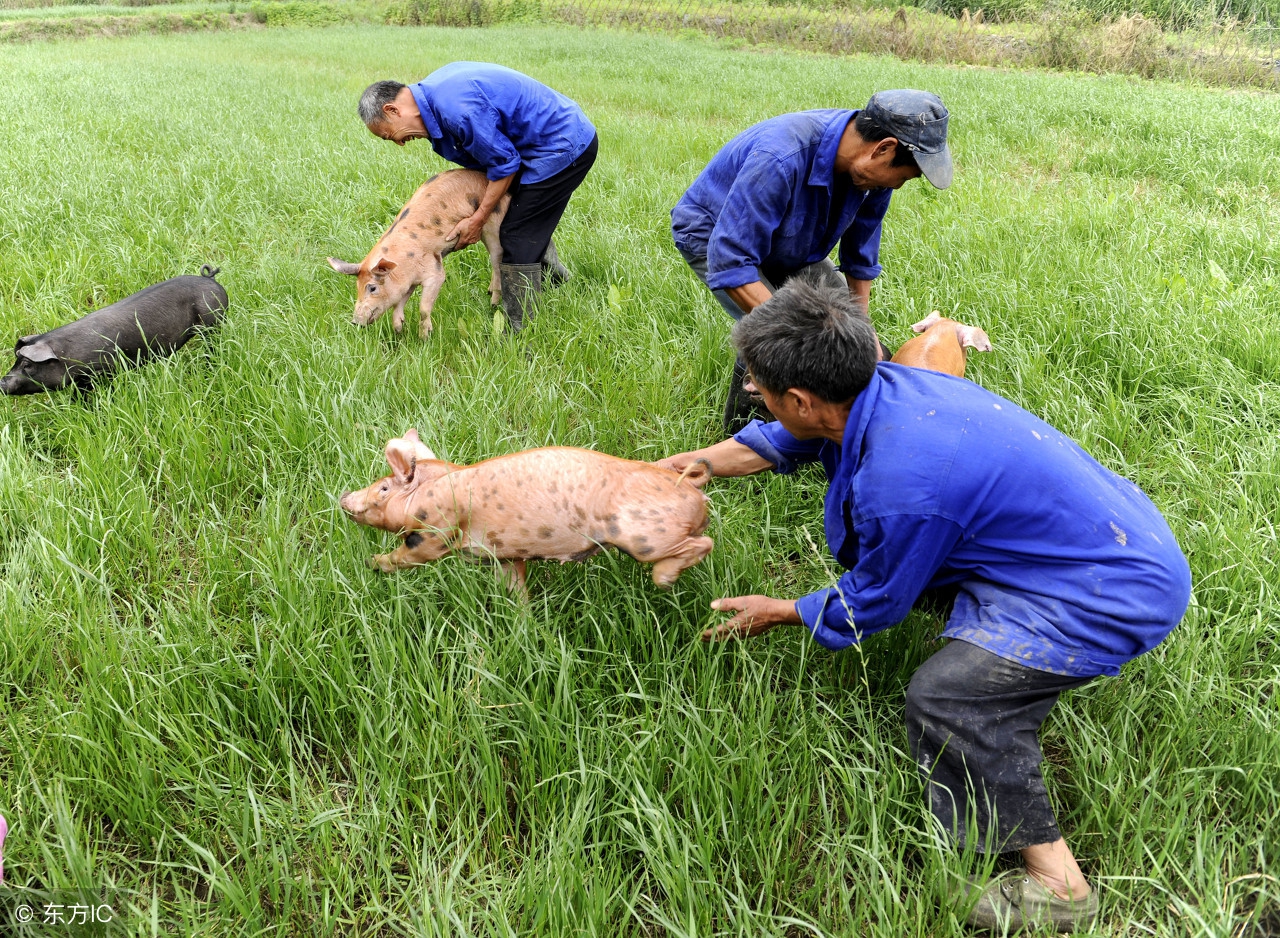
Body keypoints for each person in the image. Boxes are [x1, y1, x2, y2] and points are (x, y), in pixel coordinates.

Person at [658, 275, 1192, 933]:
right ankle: (1013, 682)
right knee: (940, 603)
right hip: (1105, 541)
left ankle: (1060, 889)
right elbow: (795, 437)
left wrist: (787, 610)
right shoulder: (887, 388)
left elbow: (876, 598)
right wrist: (698, 465)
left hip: (1110, 591)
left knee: (950, 697)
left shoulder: (905, 483)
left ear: (796, 397)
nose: (754, 397)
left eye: (758, 389)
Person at [670, 89, 952, 433]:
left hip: (794, 244)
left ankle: (860, 429)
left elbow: (859, 255)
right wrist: (793, 334)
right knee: (788, 342)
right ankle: (747, 438)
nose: (900, 185)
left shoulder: (873, 175)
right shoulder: (781, 156)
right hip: (718, 237)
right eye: (905, 177)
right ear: (884, 149)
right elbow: (731, 262)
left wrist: (863, 335)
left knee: (855, 344)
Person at [358, 63, 598, 332]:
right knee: (522, 214)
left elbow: (504, 164)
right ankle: (556, 280)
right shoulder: (433, 100)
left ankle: (520, 330)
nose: (400, 143)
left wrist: (478, 218)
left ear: (393, 110)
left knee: (516, 235)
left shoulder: (456, 111)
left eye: (390, 135)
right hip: (534, 146)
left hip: (562, 145)